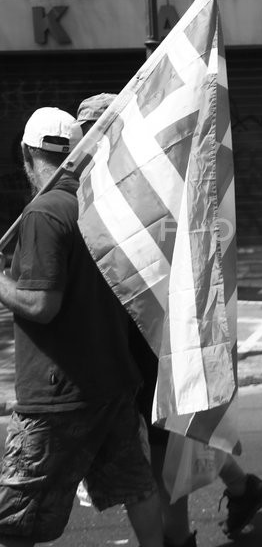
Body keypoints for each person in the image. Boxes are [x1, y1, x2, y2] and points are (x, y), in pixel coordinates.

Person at [73, 93, 262, 546]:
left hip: (154, 342)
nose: (91, 146)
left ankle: (181, 538)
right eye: (87, 135)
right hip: (128, 346)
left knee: (167, 448)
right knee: (175, 440)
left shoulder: (151, 190)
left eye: (99, 133)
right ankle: (244, 488)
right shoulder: (94, 193)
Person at [0, 107, 164, 547]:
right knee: (137, 487)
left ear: (26, 153)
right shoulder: (101, 208)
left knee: (12, 516)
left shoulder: (43, 214)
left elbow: (42, 303)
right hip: (111, 384)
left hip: (58, 395)